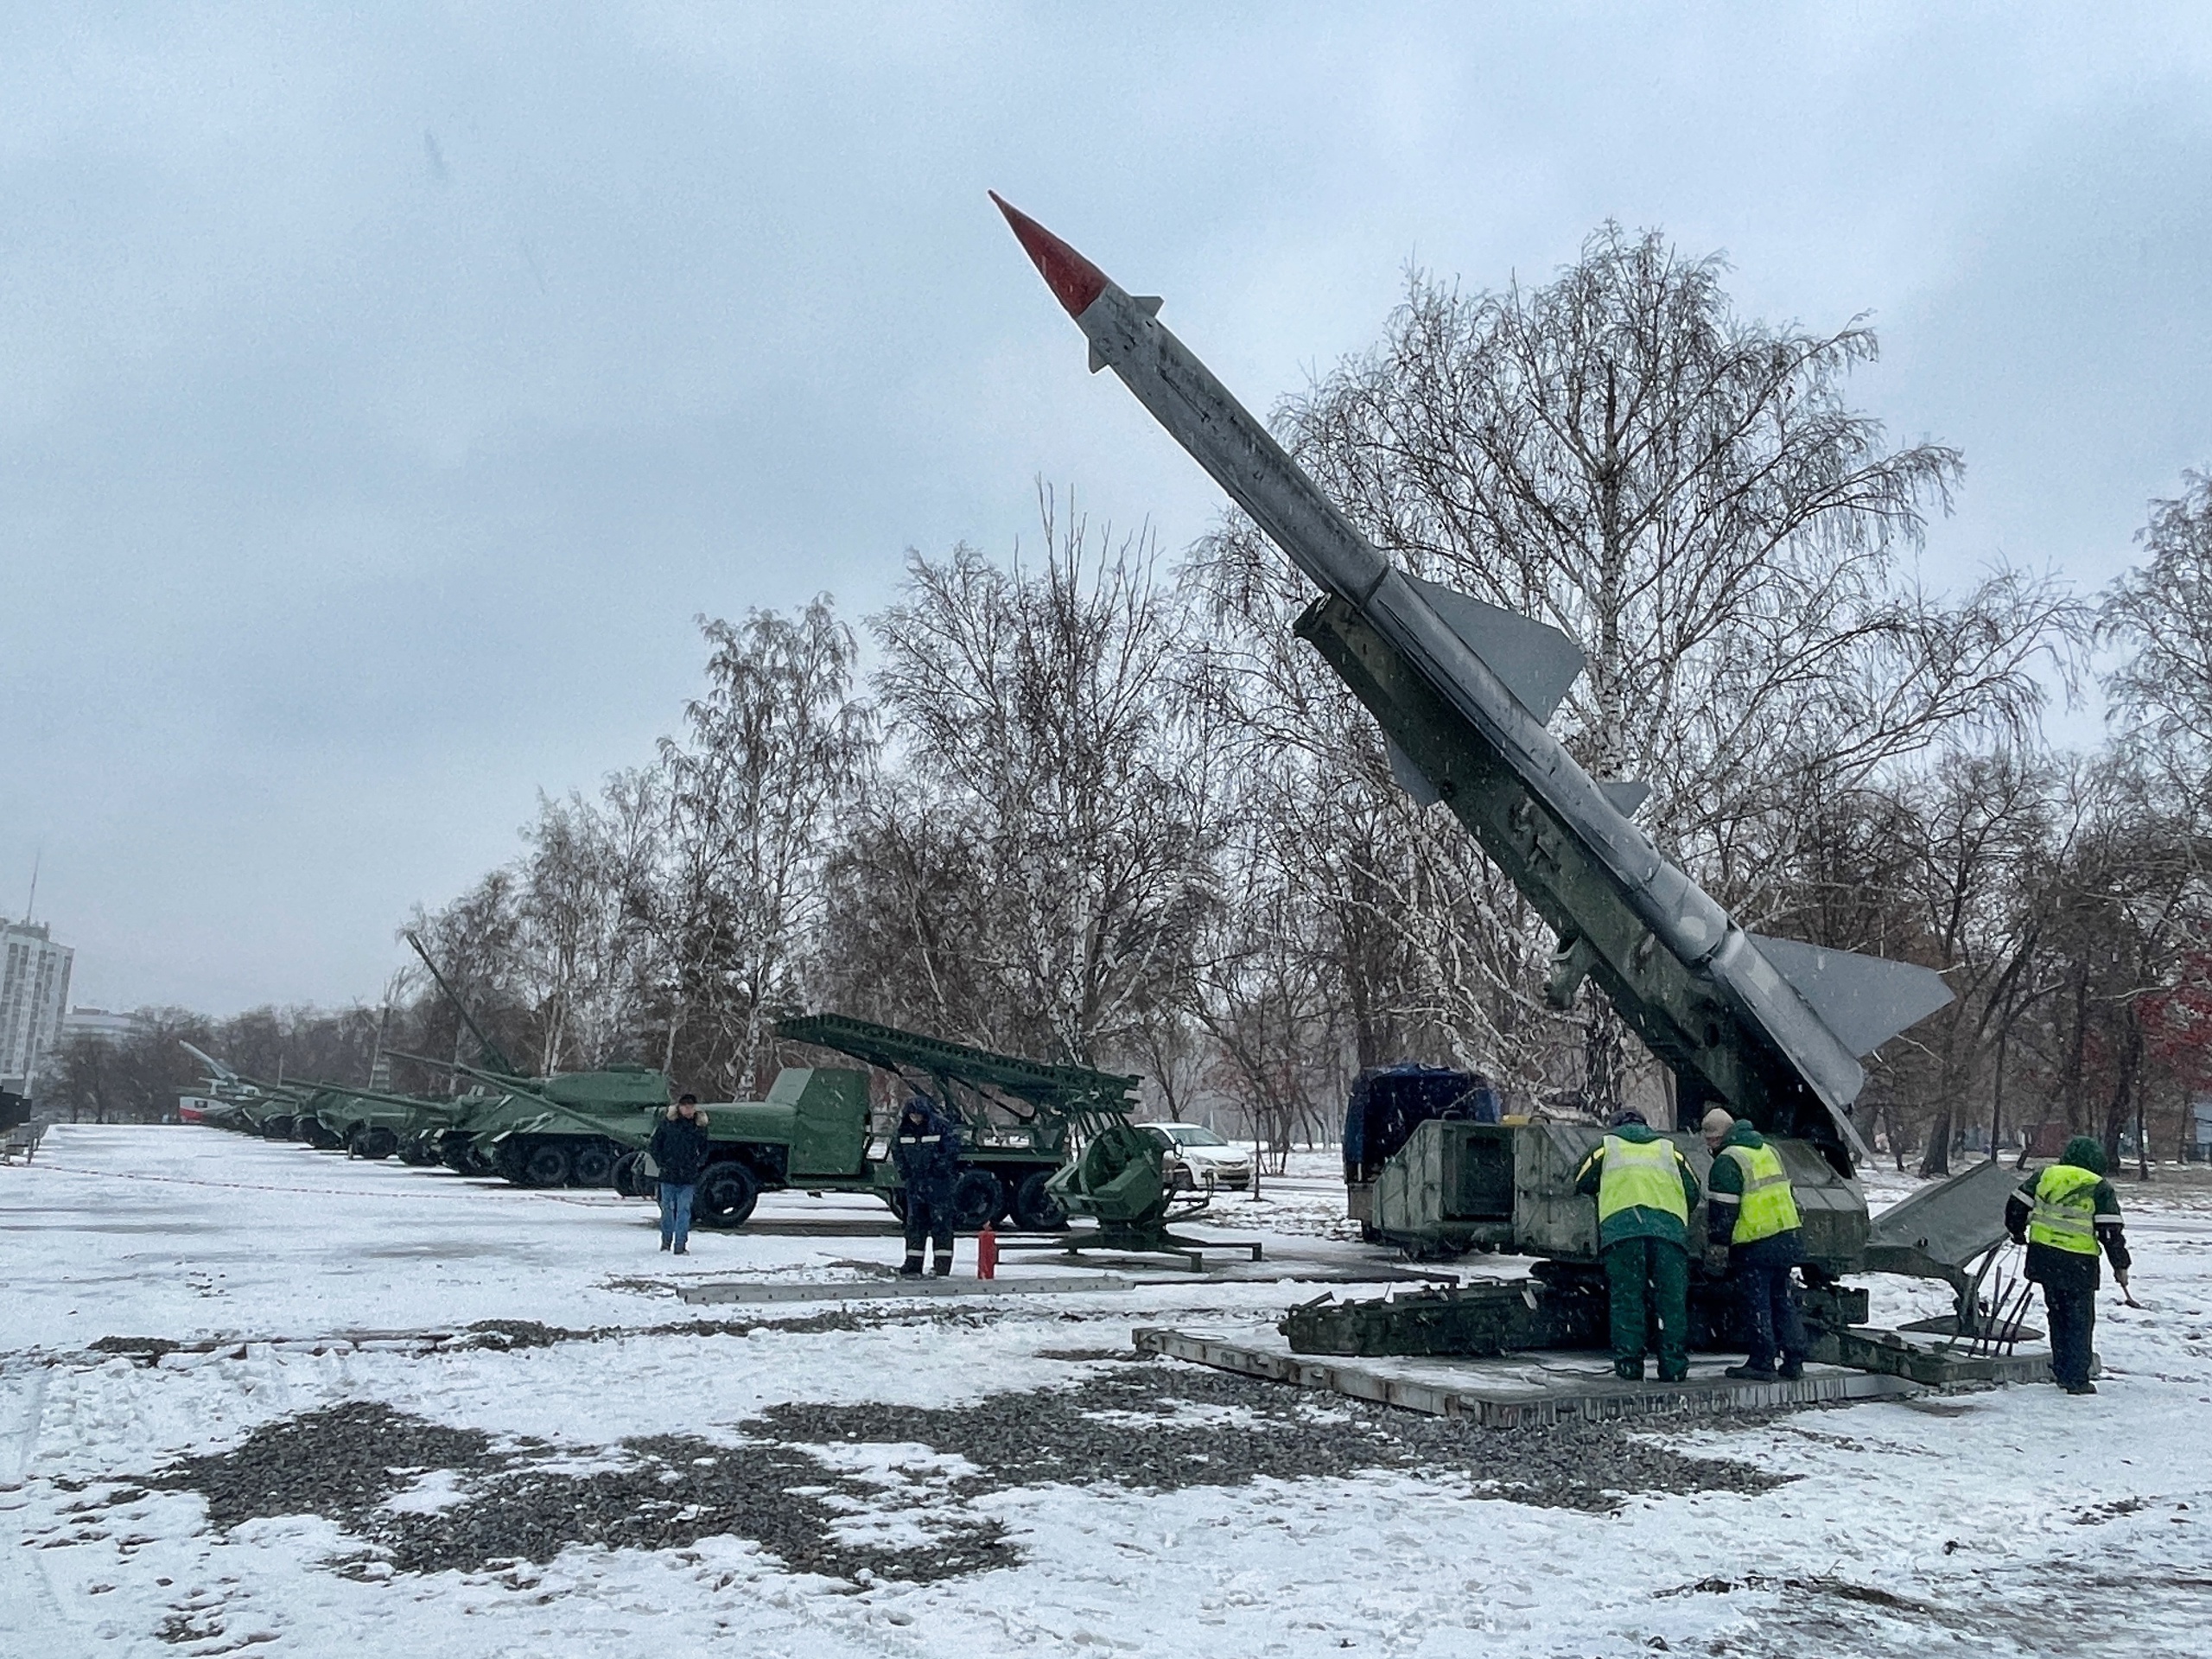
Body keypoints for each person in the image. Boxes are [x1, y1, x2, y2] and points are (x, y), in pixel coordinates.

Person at [1574, 1107, 1702, 1382]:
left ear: (1616, 1125)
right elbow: (1693, 1189)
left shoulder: (1606, 1146)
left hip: (1624, 1233)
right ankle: (1673, 1367)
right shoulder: (1671, 1149)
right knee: (1670, 1302)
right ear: (1645, 1124)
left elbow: (1581, 1180)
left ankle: (1630, 1366)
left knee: (1628, 1300)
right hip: (1669, 1234)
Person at [2005, 1135, 2132, 1395]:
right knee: (2079, 1320)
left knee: (2057, 1314)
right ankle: (2076, 1378)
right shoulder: (2098, 1186)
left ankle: (2062, 1368)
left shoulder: (2045, 1176)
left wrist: (2017, 1233)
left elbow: (2016, 1205)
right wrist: (2120, 1264)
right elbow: (2109, 1231)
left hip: (2045, 1257)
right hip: (2078, 1263)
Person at [1703, 1111, 1809, 1382]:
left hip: (1756, 1241)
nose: (1709, 1145)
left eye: (1711, 1139)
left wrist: (1717, 1245)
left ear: (1720, 1136)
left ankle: (1762, 1362)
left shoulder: (1729, 1160)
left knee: (1757, 1302)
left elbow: (1723, 1211)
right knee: (1782, 1299)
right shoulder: (1767, 1150)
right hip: (1785, 1234)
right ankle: (1794, 1359)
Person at [892, 1092, 963, 1277]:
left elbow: (951, 1151)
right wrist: (905, 1172)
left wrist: (938, 1168)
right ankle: (913, 1264)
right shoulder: (904, 1131)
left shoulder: (939, 1127)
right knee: (915, 1225)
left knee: (941, 1225)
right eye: (912, 1115)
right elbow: (897, 1152)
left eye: (918, 1115)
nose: (915, 1119)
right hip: (916, 1185)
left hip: (938, 1185)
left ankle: (942, 1266)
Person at [648, 1093, 712, 1255]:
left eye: (691, 1106)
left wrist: (697, 1163)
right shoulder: (668, 1124)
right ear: (679, 1107)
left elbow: (705, 1148)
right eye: (685, 1106)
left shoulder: (699, 1127)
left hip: (688, 1176)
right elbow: (655, 1145)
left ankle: (680, 1245)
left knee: (683, 1211)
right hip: (668, 1174)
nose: (688, 1109)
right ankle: (666, 1242)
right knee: (667, 1210)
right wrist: (662, 1163)